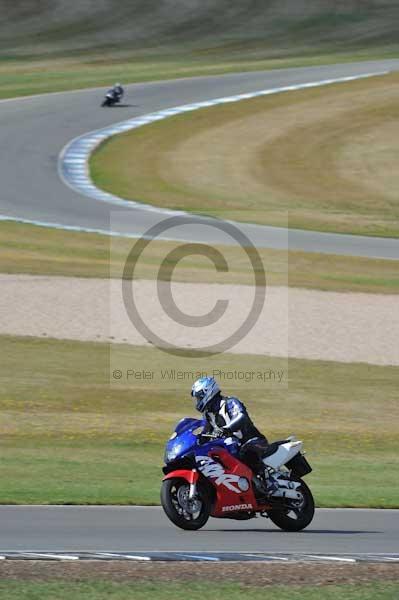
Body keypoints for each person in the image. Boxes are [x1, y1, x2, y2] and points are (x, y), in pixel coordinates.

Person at [191, 376, 277, 496]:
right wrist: (198, 439)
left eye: (199, 397)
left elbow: (241, 417)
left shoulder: (230, 402)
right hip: (231, 445)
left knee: (246, 451)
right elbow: (206, 431)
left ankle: (269, 482)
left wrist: (227, 429)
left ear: (208, 392)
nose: (198, 401)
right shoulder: (208, 414)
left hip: (252, 440)